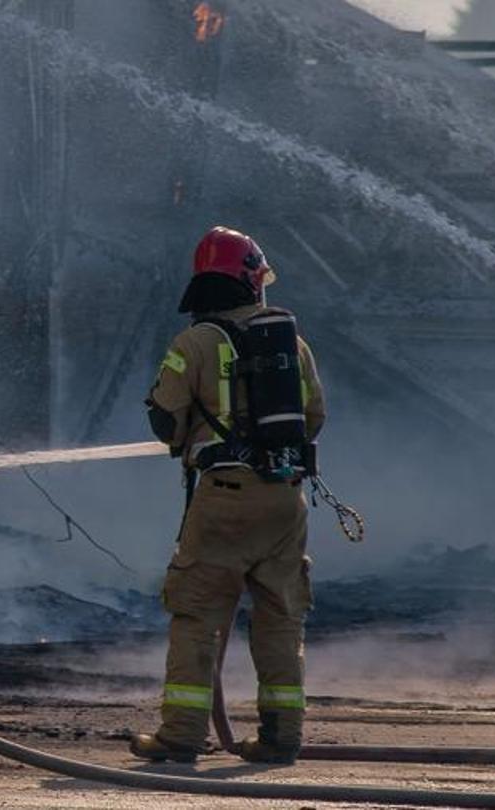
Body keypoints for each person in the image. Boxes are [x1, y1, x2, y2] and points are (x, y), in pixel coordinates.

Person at [132, 226, 327, 765]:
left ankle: (181, 737)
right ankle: (282, 737)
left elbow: (164, 418)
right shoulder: (294, 344)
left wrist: (195, 431)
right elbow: (314, 418)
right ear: (251, 281)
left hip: (223, 498)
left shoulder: (193, 343)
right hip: (286, 499)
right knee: (281, 619)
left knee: (197, 617)